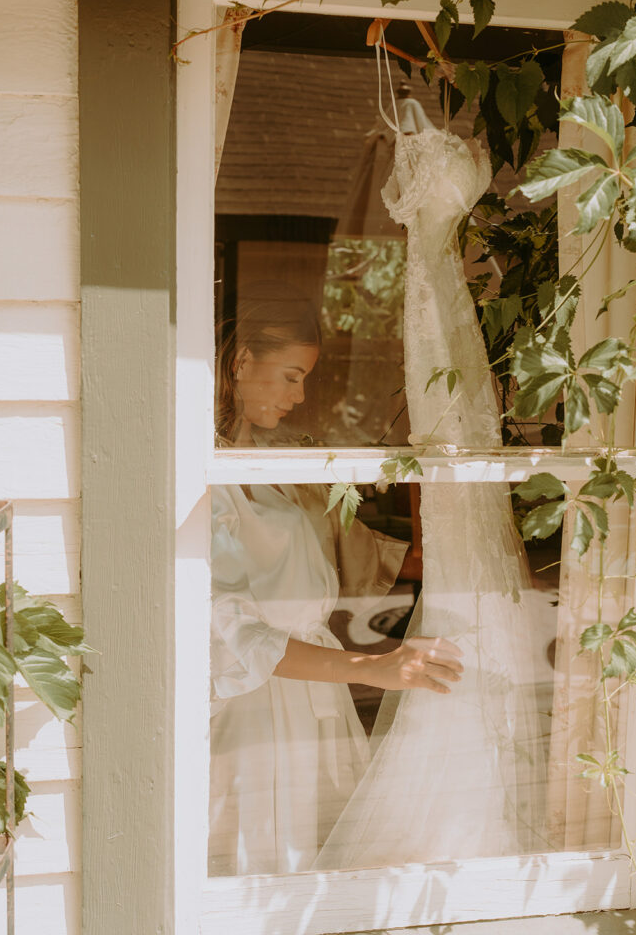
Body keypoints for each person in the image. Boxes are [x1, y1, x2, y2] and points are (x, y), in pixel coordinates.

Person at [209, 285, 464, 876]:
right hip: (255, 705)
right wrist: (372, 667)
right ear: (241, 362)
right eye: (292, 376)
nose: (300, 397)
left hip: (313, 692)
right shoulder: (209, 478)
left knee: (323, 859)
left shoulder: (267, 465)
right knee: (264, 862)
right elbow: (228, 628)